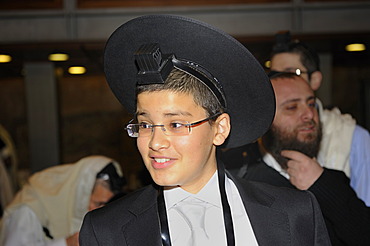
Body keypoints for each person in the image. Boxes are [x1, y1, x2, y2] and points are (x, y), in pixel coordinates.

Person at [79, 15, 331, 246]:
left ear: (219, 129)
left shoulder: (295, 213)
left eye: (175, 124)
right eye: (145, 125)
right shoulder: (106, 231)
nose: (155, 142)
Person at [243, 72, 370, 245]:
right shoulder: (239, 183)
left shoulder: (331, 179)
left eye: (311, 104)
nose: (309, 114)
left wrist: (323, 185)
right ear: (263, 120)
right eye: (292, 107)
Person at [269, 31, 370, 206]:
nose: (282, 82)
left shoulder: (351, 135)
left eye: (292, 73)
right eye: (274, 75)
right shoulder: (263, 139)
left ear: (315, 80)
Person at [0, 155, 125, 246]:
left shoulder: (73, 204)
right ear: (82, 193)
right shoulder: (29, 208)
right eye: (98, 203)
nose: (100, 210)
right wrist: (65, 243)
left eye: (106, 205)